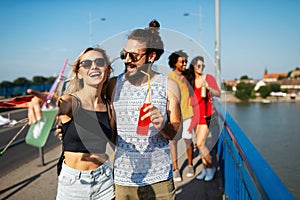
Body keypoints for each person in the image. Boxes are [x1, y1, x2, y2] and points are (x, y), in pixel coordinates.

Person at [27, 47, 116, 200]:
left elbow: (115, 141)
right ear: (79, 73)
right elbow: (59, 104)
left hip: (105, 180)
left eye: (99, 62)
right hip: (74, 183)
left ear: (107, 71)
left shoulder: (109, 106)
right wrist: (44, 102)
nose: (94, 66)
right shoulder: (72, 101)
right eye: (87, 63)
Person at [106, 25, 181, 199]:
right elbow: (86, 101)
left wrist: (162, 125)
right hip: (124, 180)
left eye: (134, 55)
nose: (127, 60)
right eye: (124, 54)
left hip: (160, 179)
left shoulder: (169, 86)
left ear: (151, 56)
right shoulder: (113, 85)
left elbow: (175, 135)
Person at [186, 56, 221, 182]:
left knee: (200, 144)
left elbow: (218, 93)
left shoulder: (208, 78)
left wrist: (208, 87)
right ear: (193, 66)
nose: (201, 68)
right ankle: (205, 168)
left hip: (206, 115)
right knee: (201, 144)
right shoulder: (190, 80)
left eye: (203, 66)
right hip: (195, 116)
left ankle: (211, 168)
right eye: (198, 65)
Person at [167, 50, 195, 182]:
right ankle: (175, 169)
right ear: (174, 63)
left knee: (188, 140)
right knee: (173, 142)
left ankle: (190, 165)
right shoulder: (168, 78)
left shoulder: (189, 76)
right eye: (182, 61)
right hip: (174, 115)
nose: (184, 64)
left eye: (185, 61)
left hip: (188, 113)